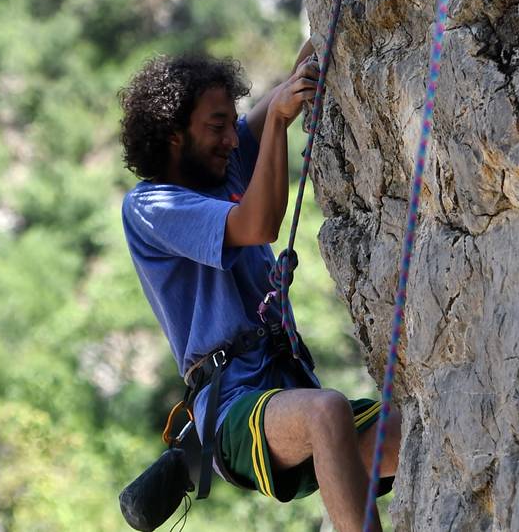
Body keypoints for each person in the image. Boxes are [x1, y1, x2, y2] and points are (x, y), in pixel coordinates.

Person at [119, 41, 401, 531]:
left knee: (420, 432)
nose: (231, 138)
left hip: (284, 386)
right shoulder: (150, 206)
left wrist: (325, 23)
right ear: (173, 136)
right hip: (230, 406)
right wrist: (274, 125)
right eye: (217, 126)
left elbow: (284, 93)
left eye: (233, 123)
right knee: (326, 412)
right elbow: (258, 225)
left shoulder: (219, 165)